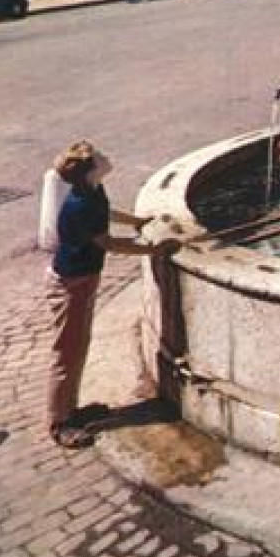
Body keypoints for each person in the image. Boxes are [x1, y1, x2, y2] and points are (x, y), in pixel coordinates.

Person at [46, 141, 181, 448]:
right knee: (66, 353)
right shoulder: (80, 204)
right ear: (91, 170)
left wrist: (137, 222)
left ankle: (72, 409)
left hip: (83, 278)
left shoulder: (93, 190)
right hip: (71, 283)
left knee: (79, 346)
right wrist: (153, 250)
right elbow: (108, 243)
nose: (106, 156)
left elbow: (106, 213)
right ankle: (60, 422)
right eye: (99, 157)